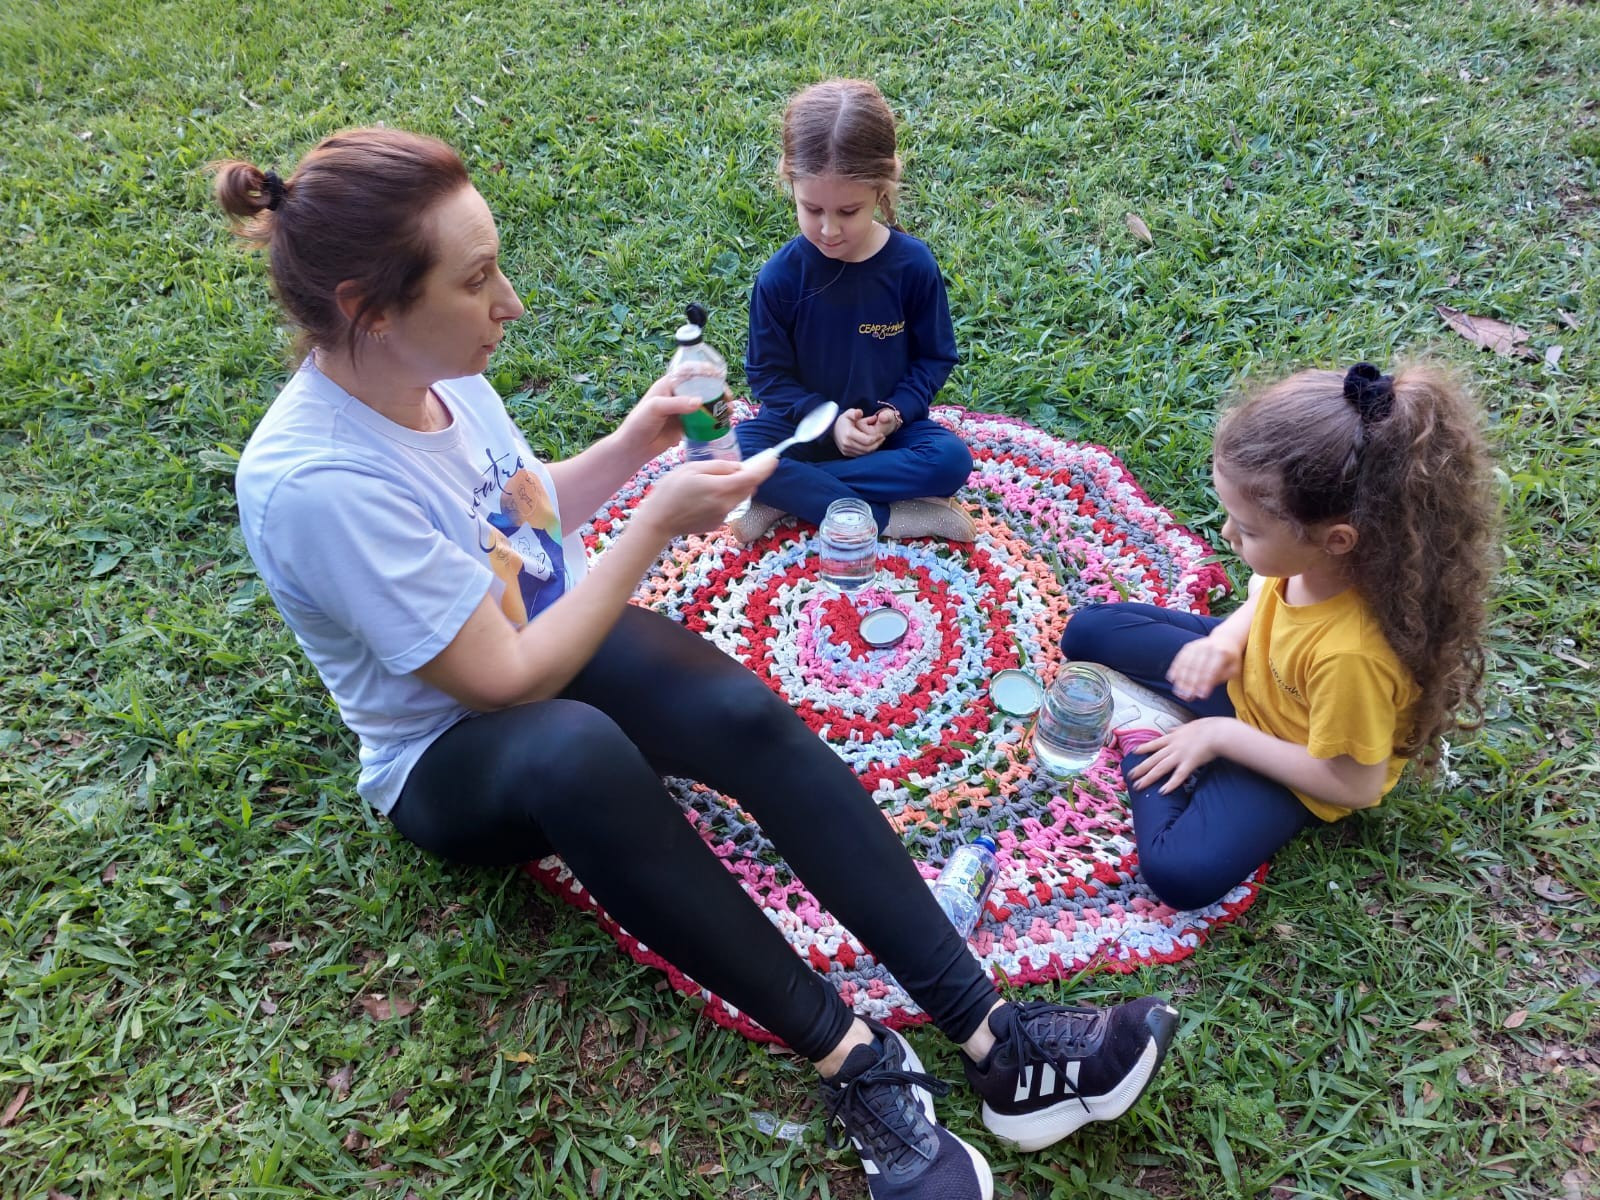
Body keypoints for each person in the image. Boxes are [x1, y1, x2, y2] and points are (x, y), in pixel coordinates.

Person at [216, 128, 1177, 1200]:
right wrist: (652, 524)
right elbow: (500, 681)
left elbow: (522, 515)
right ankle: (853, 1058)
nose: (511, 303)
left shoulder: (432, 370)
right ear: (369, 309)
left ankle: (995, 1038)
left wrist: (639, 441)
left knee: (736, 710)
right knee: (578, 752)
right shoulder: (317, 481)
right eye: (478, 279)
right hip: (450, 753)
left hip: (543, 648)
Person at [1063, 363, 1496, 911]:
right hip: (1251, 670)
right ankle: (1190, 717)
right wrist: (1225, 642)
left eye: (1247, 529)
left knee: (1179, 873)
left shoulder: (1354, 656)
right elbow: (1263, 590)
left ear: (1336, 539)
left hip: (1294, 757)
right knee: (1089, 631)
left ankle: (1148, 729)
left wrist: (1221, 736)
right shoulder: (1317, 560)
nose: (1226, 534)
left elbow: (1355, 784)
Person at [731, 79, 977, 544]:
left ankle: (788, 495)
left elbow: (935, 357)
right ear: (790, 183)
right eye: (812, 209)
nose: (829, 229)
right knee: (735, 452)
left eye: (848, 211)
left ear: (882, 190)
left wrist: (893, 415)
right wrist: (828, 419)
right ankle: (890, 518)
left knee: (950, 460)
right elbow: (766, 376)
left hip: (886, 437)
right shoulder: (781, 277)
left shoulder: (912, 266)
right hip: (801, 428)